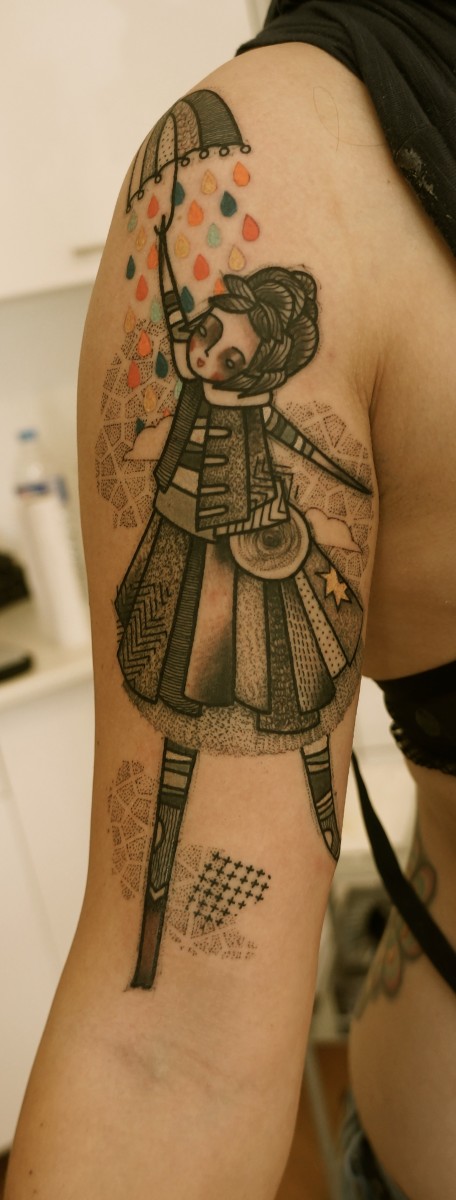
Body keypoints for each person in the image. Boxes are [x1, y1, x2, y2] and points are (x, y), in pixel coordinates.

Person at [5, 3, 455, 1199]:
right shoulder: (297, 158)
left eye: (227, 343)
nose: (208, 346)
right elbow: (171, 1047)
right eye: (209, 331)